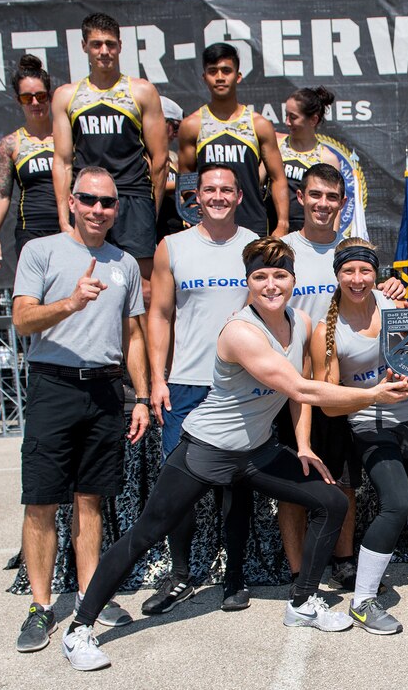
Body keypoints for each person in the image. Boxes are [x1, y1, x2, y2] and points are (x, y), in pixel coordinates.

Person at [60, 237, 408, 671]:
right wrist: (375, 394)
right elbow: (301, 387)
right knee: (145, 534)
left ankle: (303, 602)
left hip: (257, 452)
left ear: (293, 280)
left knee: (332, 500)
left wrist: (303, 445)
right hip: (207, 450)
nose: (271, 284)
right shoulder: (239, 331)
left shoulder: (301, 322)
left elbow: (296, 400)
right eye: (260, 277)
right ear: (247, 282)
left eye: (280, 275)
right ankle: (79, 628)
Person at [11, 166, 150, 653]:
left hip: (107, 391)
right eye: (89, 200)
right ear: (71, 202)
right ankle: (41, 606)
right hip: (54, 385)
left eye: (107, 202)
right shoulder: (41, 251)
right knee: (42, 501)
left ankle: (91, 598)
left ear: (116, 209)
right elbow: (23, 318)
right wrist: (70, 303)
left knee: (91, 499)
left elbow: (134, 336)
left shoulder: (125, 263)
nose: (98, 209)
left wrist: (143, 397)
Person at [276, 163, 406, 592]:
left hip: (344, 388)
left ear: (343, 203)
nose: (323, 204)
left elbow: (369, 295)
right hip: (290, 385)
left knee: (343, 482)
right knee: (297, 483)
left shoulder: (353, 252)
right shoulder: (283, 251)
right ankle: (299, 574)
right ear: (301, 198)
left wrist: (393, 289)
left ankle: (345, 561)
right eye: (315, 195)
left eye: (332, 197)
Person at [310, 237, 408, 634]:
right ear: (337, 275)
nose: (357, 278)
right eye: (348, 271)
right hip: (369, 424)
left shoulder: (395, 307)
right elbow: (330, 404)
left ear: (376, 273)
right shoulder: (326, 331)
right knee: (397, 502)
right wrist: (374, 394)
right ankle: (363, 601)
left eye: (365, 270)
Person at [142, 163, 258, 615]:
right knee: (180, 486)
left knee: (236, 484)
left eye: (226, 189)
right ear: (195, 196)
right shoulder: (171, 247)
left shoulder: (255, 246)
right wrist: (157, 377)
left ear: (238, 196)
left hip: (238, 384)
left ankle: (234, 578)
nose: (217, 197)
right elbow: (160, 315)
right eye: (209, 189)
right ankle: (182, 573)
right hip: (185, 384)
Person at [51, 13, 169, 309]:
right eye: (96, 44)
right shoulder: (67, 96)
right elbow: (63, 160)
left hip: (132, 197)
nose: (104, 51)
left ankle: (146, 358)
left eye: (110, 44)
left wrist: (148, 209)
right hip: (90, 201)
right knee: (90, 283)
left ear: (120, 46)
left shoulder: (141, 91)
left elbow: (160, 158)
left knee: (144, 291)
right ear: (84, 47)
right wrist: (64, 218)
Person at [178, 42, 290, 238]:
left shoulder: (259, 124)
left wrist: (282, 224)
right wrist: (193, 208)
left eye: (226, 71)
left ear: (238, 77)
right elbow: (186, 174)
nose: (220, 77)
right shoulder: (192, 125)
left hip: (252, 224)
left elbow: (278, 177)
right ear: (204, 77)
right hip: (209, 226)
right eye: (213, 71)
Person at [0, 54, 62, 267]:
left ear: (50, 96)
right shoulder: (10, 144)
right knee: (35, 298)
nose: (35, 103)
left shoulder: (69, 137)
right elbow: (1, 193)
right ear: (19, 100)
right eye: (28, 98)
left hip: (70, 229)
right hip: (32, 232)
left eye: (41, 96)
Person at [274, 86, 341, 232]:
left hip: (306, 233)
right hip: (274, 229)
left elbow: (334, 206)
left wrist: (333, 243)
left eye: (293, 117)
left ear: (313, 120)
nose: (287, 122)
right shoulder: (276, 145)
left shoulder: (327, 158)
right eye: (286, 115)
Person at [153, 96, 190, 241]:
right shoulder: (141, 154)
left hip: (172, 231)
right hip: (155, 232)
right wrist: (188, 182)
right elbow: (153, 184)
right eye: (174, 127)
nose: (176, 134)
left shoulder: (170, 157)